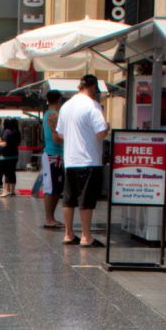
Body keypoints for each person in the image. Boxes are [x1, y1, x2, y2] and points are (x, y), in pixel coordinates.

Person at [56, 75, 109, 247]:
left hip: (70, 160)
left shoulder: (66, 106)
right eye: (95, 90)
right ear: (92, 87)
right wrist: (107, 126)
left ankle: (68, 234)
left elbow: (60, 134)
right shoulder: (92, 106)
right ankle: (86, 236)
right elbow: (101, 133)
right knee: (86, 200)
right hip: (89, 160)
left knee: (69, 199)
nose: (96, 93)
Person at [42, 90, 65, 229]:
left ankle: (50, 218)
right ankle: (49, 218)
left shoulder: (46, 114)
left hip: (50, 154)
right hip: (54, 155)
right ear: (59, 100)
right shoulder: (53, 115)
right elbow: (56, 138)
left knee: (53, 187)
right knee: (53, 188)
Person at [0, 119, 21, 198]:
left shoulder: (6, 132)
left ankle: (5, 191)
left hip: (5, 156)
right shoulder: (17, 132)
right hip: (14, 155)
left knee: (6, 173)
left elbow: (5, 143)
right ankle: (12, 190)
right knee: (12, 173)